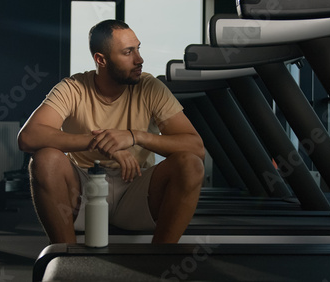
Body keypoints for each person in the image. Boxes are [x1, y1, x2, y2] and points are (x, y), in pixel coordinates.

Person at [17, 19, 205, 244]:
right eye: (128, 52)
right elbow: (28, 137)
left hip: (138, 191)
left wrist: (136, 136)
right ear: (101, 60)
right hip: (84, 192)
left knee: (191, 164)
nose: (139, 59)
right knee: (44, 159)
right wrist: (99, 142)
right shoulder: (73, 87)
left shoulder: (150, 87)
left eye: (138, 49)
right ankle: (66, 258)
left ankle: (160, 259)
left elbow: (196, 148)